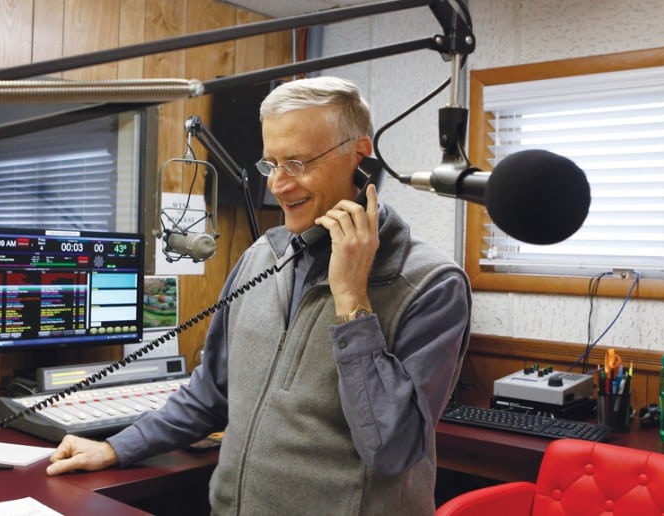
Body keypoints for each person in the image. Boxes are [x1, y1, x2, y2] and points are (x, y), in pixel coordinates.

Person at [46, 76, 472, 515]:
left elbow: (391, 450)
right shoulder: (261, 258)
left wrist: (351, 301)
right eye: (272, 164)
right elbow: (211, 393)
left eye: (298, 163)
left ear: (359, 157)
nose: (279, 185)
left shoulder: (432, 284)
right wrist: (117, 447)